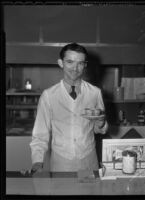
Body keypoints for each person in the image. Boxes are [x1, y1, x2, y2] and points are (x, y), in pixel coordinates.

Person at [30, 43, 108, 172]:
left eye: (80, 63)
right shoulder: (49, 95)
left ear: (85, 65)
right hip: (61, 161)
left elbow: (99, 129)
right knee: (62, 192)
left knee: (90, 192)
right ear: (61, 63)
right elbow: (40, 133)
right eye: (70, 62)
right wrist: (37, 162)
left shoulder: (95, 92)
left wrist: (101, 123)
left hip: (88, 159)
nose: (75, 68)